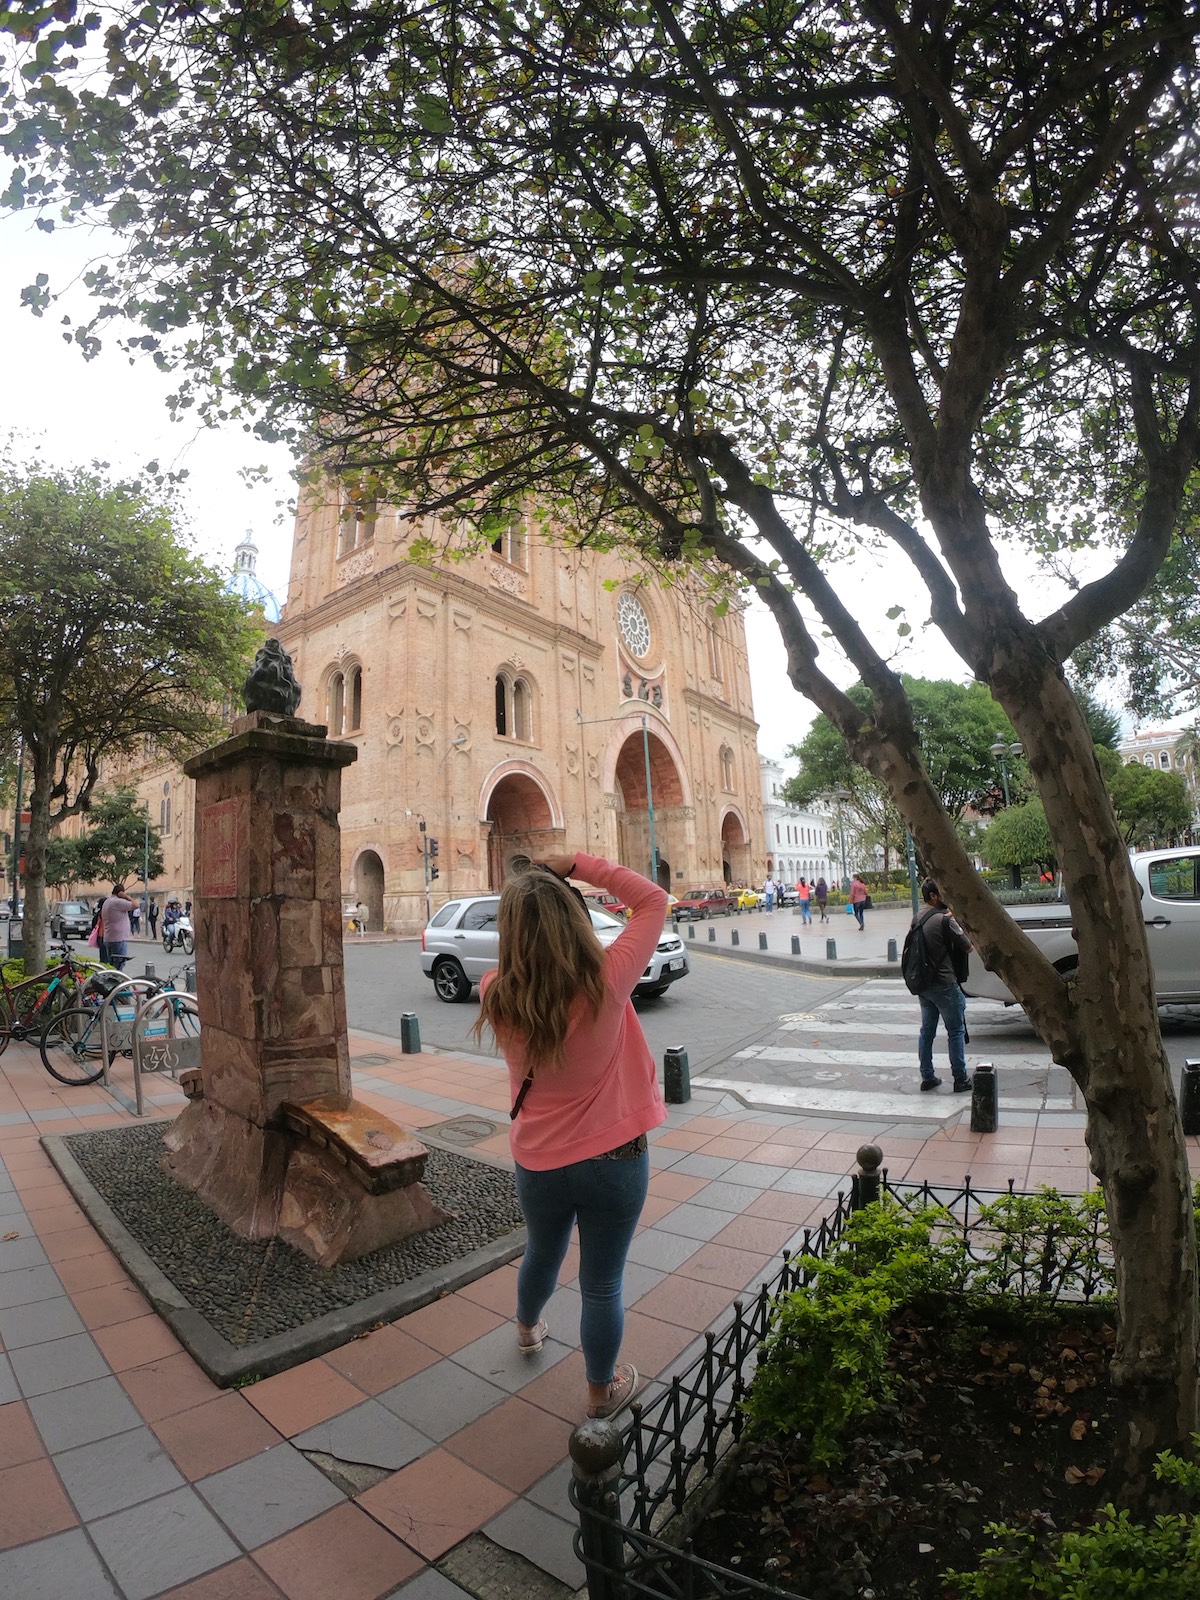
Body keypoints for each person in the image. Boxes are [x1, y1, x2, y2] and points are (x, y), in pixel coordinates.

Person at [475, 852, 667, 1421]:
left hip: (538, 1159)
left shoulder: (494, 992)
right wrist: (577, 864)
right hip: (615, 1158)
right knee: (602, 1282)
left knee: (542, 1250)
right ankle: (599, 1394)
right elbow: (652, 900)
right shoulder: (609, 979)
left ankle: (529, 1330)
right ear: (574, 920)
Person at [911, 879, 973, 1094]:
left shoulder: (916, 918)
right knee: (955, 1031)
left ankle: (927, 1076)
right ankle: (960, 1078)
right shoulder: (945, 921)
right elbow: (968, 947)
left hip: (924, 985)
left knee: (927, 1031)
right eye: (943, 893)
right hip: (945, 984)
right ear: (934, 896)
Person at [99, 883, 136, 971]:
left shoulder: (107, 901)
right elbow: (136, 905)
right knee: (119, 966)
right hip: (119, 939)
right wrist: (126, 896)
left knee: (112, 966)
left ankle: (112, 983)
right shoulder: (117, 902)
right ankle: (116, 983)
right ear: (120, 893)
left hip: (109, 938)